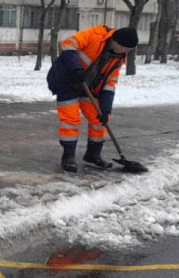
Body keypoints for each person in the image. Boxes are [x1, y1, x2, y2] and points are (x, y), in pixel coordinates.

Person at [47, 25, 139, 173]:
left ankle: (93, 154)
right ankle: (68, 156)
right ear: (118, 43)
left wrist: (105, 109)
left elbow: (110, 84)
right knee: (71, 120)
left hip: (89, 86)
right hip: (67, 80)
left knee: (99, 118)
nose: (127, 53)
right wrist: (76, 68)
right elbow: (67, 43)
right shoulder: (96, 34)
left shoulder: (118, 58)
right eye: (127, 49)